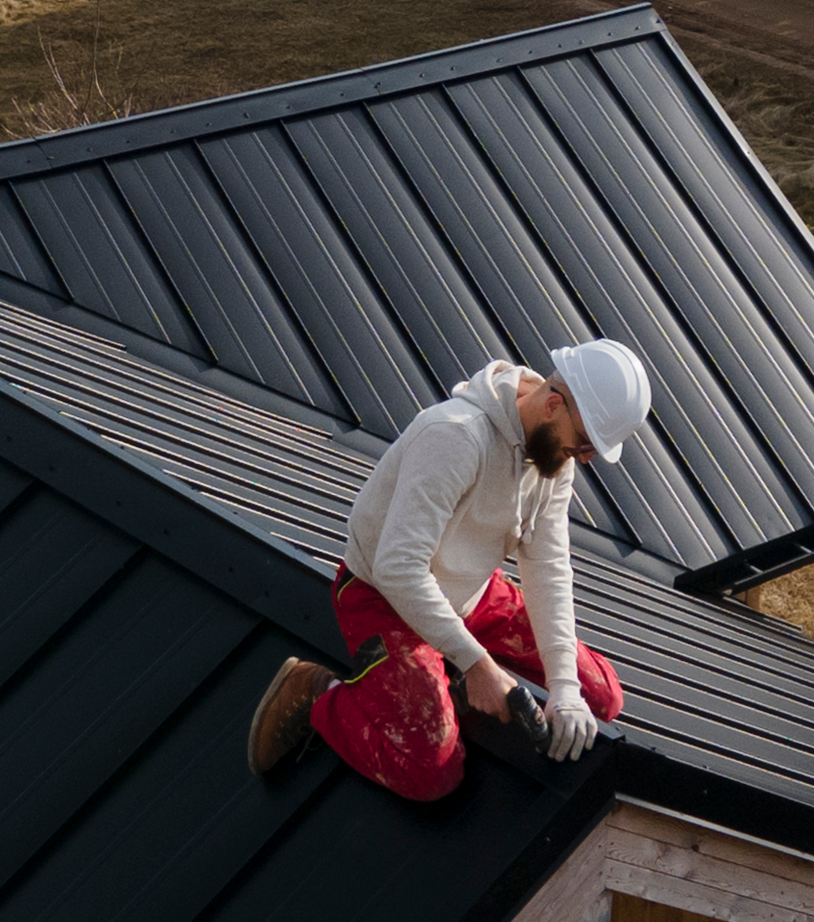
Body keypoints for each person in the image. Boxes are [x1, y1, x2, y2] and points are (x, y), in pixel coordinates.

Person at [246, 343, 651, 800]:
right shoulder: (456, 436)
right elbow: (397, 568)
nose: (585, 458)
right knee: (431, 775)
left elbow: (548, 567)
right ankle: (317, 692)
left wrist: (563, 689)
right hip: (385, 597)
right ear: (553, 403)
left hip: (469, 592)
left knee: (601, 697)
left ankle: (449, 668)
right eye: (584, 443)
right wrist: (476, 665)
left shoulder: (551, 454)